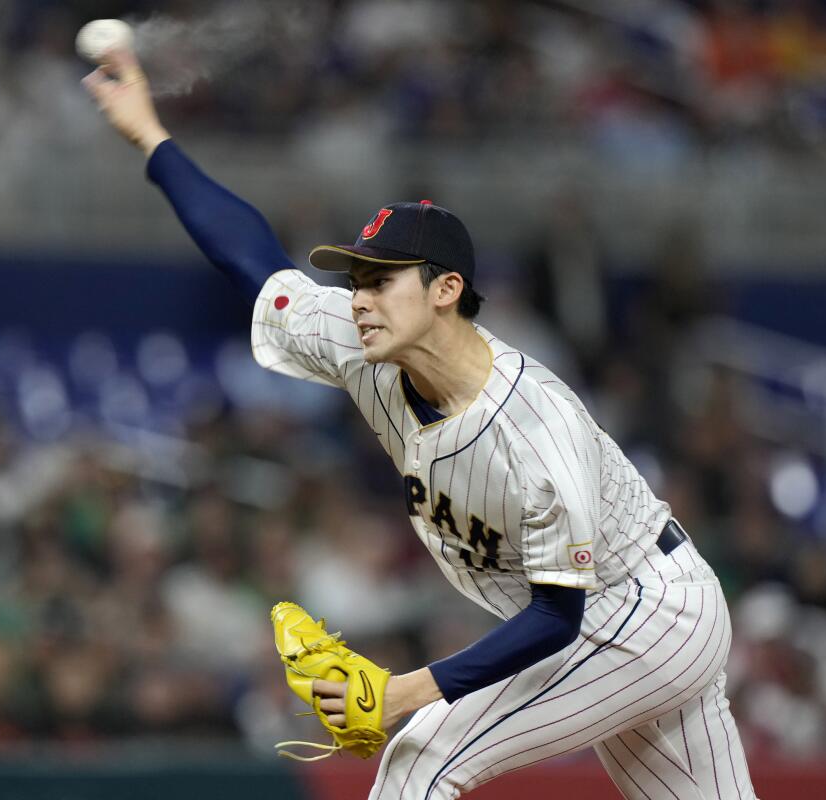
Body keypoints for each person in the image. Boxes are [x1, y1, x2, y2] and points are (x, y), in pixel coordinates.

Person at [83, 47, 758, 800]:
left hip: (642, 609)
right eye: (356, 277)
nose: (359, 296)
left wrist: (406, 692)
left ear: (445, 289)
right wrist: (150, 133)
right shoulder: (357, 339)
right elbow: (251, 258)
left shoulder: (536, 424)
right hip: (621, 613)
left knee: (423, 757)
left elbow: (558, 618)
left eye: (381, 280)